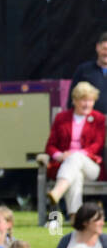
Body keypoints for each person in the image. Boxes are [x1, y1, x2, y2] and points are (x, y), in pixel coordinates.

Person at [43, 81, 105, 215]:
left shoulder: (98, 119)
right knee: (75, 175)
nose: (87, 104)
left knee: (76, 157)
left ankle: (57, 191)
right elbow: (50, 146)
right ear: (75, 101)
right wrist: (60, 156)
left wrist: (74, 154)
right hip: (66, 168)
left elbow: (97, 145)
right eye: (83, 100)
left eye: (90, 100)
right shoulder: (61, 118)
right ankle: (75, 216)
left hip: (91, 167)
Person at [69, 31, 107, 114]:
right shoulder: (84, 70)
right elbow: (72, 98)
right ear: (97, 47)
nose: (106, 53)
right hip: (90, 123)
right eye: (104, 49)